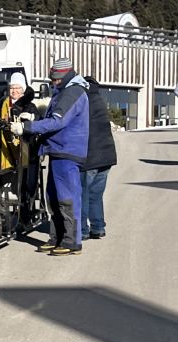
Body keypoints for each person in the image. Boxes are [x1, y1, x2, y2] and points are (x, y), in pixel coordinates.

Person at [22, 58, 89, 254]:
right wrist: (36, 119)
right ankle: (57, 237)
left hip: (67, 151)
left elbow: (58, 121)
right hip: (58, 150)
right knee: (53, 197)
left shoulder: (73, 92)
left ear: (63, 76)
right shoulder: (65, 91)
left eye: (55, 79)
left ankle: (71, 241)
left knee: (67, 198)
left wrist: (27, 127)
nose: (53, 82)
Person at [0, 71, 39, 233]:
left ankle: (26, 215)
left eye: (17, 88)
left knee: (27, 184)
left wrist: (30, 120)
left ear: (23, 89)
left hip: (26, 149)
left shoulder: (30, 105)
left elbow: (39, 122)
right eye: (12, 88)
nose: (14, 91)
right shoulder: (2, 104)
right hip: (5, 148)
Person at [80, 76, 118, 239]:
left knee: (83, 194)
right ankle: (98, 227)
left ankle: (82, 230)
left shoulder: (83, 101)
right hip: (106, 155)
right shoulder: (99, 100)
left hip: (90, 156)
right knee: (95, 194)